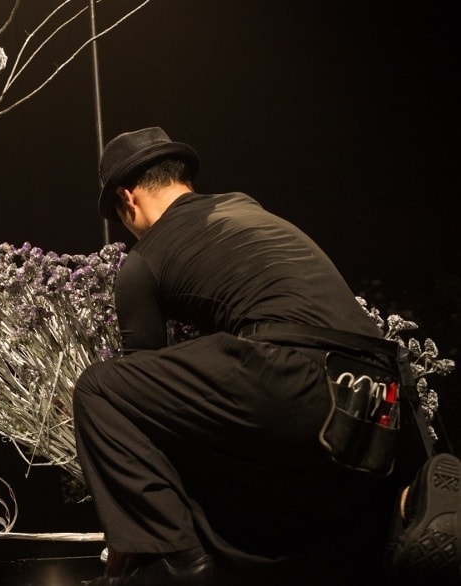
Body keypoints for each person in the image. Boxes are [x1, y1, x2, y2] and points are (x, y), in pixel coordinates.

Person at [72, 126, 460, 585]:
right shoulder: (245, 207)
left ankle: (179, 564)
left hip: (291, 371)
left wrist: (132, 532)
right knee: (322, 503)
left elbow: (144, 399)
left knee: (99, 389)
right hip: (383, 390)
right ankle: (406, 509)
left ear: (127, 199)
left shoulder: (143, 260)